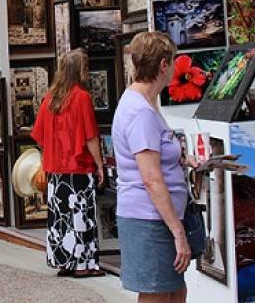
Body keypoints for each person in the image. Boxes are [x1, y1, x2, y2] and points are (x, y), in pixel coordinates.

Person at [113, 32, 194, 301]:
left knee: (174, 290)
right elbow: (151, 178)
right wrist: (178, 232)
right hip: (149, 217)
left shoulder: (144, 103)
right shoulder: (141, 111)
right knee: (158, 294)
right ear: (163, 65)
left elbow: (154, 153)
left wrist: (181, 159)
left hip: (154, 215)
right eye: (172, 62)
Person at [31, 49, 104, 277]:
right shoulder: (81, 97)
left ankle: (64, 262)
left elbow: (40, 135)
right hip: (78, 166)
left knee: (60, 217)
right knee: (81, 215)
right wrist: (100, 164)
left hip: (55, 169)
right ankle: (82, 264)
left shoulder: (50, 99)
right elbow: (90, 136)